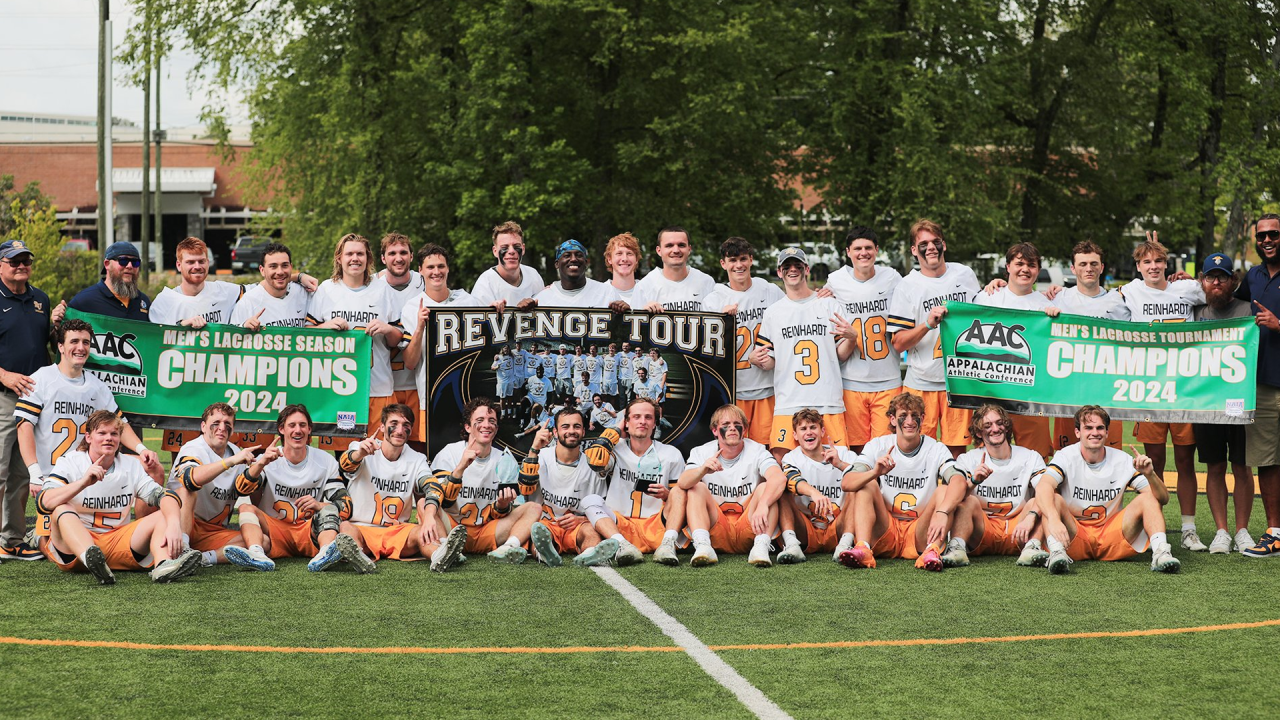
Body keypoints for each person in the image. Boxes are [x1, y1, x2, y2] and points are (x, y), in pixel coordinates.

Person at [16, 318, 158, 554]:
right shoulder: (41, 378)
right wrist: (34, 473)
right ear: (60, 346)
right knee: (50, 546)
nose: (80, 347)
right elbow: (24, 426)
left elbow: (119, 424)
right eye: (74, 341)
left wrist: (142, 450)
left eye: (85, 342)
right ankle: (38, 535)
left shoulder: (97, 386)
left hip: (84, 473)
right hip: (53, 479)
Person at [36, 411, 200, 584]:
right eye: (102, 433)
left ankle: (164, 564)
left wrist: (175, 525)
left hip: (117, 542)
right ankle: (91, 558)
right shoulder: (70, 462)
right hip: (75, 548)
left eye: (114, 434)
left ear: (120, 438)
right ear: (89, 437)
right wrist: (83, 483)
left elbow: (164, 496)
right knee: (61, 508)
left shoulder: (131, 465)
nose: (109, 438)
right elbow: (44, 501)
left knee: (164, 513)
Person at [1118, 233, 1205, 551]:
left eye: (1158, 260)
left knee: (1185, 460)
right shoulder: (1128, 292)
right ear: (1137, 266)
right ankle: (1156, 528)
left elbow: (1220, 299)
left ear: (1167, 264)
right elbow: (1096, 307)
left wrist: (1196, 278)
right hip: (1149, 389)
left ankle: (1188, 528)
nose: (1153, 266)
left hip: (1185, 388)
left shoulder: (1188, 289)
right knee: (1152, 460)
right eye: (1146, 261)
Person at [1035, 405, 1180, 574]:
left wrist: (1150, 475)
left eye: (1099, 428)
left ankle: (1161, 552)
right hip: (1074, 536)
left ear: (1107, 433)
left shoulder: (1122, 459)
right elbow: (1043, 485)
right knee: (1052, 498)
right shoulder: (1066, 456)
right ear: (1077, 432)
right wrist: (1053, 519)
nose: (1094, 432)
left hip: (1112, 535)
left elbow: (1163, 498)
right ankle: (1057, 551)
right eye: (1088, 428)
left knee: (1148, 497)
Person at [233, 404, 375, 573]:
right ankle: (257, 554)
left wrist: (318, 505)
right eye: (292, 425)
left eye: (302, 425)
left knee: (329, 510)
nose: (297, 430)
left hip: (309, 531)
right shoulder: (269, 458)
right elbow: (241, 489)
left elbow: (345, 506)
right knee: (245, 507)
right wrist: (261, 463)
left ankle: (324, 553)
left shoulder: (325, 460)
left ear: (309, 429)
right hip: (275, 530)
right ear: (281, 429)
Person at [836, 392, 964, 571]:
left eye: (914, 416)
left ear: (923, 418)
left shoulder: (935, 448)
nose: (910, 421)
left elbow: (959, 481)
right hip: (885, 528)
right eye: (903, 416)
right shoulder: (878, 445)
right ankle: (863, 547)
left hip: (920, 529)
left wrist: (942, 511)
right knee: (866, 485)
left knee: (944, 491)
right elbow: (847, 482)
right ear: (892, 419)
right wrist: (875, 473)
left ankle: (932, 550)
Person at [887, 219, 981, 456]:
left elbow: (984, 313)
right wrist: (927, 325)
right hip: (921, 382)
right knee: (916, 449)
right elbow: (898, 343)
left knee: (957, 451)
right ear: (913, 250)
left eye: (935, 242)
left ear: (944, 245)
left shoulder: (965, 274)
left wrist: (998, 286)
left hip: (959, 381)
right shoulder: (907, 286)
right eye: (924, 243)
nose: (930, 247)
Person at [753, 247, 854, 461]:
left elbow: (841, 355)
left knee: (835, 464)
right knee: (782, 462)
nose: (792, 270)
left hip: (826, 400)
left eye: (797, 265)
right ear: (779, 272)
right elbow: (769, 361)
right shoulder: (773, 312)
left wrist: (852, 338)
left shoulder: (829, 304)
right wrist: (756, 360)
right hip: (788, 401)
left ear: (806, 269)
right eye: (786, 266)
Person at [338, 404, 467, 571]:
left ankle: (439, 555)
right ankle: (359, 558)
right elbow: (345, 465)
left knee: (422, 532)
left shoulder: (417, 458)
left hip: (397, 531)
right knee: (345, 528)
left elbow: (431, 486)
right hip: (362, 528)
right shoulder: (361, 447)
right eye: (394, 423)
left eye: (405, 425)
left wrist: (429, 517)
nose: (399, 430)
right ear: (382, 426)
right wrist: (360, 454)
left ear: (411, 430)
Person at [0, 238, 63, 560]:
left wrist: (56, 327)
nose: (21, 265)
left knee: (23, 474)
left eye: (25, 260)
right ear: (1, 264)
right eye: (14, 261)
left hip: (36, 399)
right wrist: (4, 375)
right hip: (3, 396)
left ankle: (10, 540)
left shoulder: (40, 298)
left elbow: (46, 345)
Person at [307, 233, 404, 442]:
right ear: (339, 258)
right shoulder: (326, 290)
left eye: (360, 253)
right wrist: (325, 327)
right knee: (345, 458)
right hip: (340, 390)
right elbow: (307, 337)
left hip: (378, 386)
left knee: (379, 451)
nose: (355, 258)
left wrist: (386, 329)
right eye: (349, 253)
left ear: (368, 258)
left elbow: (398, 339)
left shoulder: (383, 289)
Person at [427, 397, 547, 562]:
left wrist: (502, 505)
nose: (486, 425)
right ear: (468, 427)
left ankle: (508, 548)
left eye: (492, 421)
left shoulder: (504, 459)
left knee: (533, 507)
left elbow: (503, 512)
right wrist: (460, 468)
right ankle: (445, 550)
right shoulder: (449, 453)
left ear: (496, 428)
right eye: (480, 420)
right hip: (452, 528)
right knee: (425, 505)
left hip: (486, 531)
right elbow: (442, 501)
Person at [971, 242, 1060, 459]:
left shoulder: (1046, 304)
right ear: (1008, 267)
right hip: (993, 393)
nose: (1025, 269)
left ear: (1038, 270)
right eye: (1019, 263)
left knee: (1036, 458)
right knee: (988, 457)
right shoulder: (988, 297)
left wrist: (1056, 318)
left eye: (1031, 265)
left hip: (1031, 395)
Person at [1192, 253, 1255, 554]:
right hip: (1206, 402)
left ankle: (1242, 529)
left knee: (1242, 466)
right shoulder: (1194, 313)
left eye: (1222, 276)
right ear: (1202, 281)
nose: (1216, 282)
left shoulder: (1248, 309)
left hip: (1240, 401)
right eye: (1210, 277)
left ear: (1233, 280)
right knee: (1214, 466)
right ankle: (1221, 531)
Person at [935, 404, 1048, 568]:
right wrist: (973, 481)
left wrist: (1031, 516)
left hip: (1020, 529)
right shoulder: (968, 459)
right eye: (987, 425)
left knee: (1042, 498)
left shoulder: (1030, 456)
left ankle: (1032, 547)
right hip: (982, 530)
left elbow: (1046, 492)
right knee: (966, 500)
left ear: (1006, 426)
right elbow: (952, 495)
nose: (995, 429)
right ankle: (957, 548)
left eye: (999, 423)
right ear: (979, 432)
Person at [678, 405, 788, 567]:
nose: (732, 429)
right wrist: (702, 470)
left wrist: (763, 504)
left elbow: (778, 478)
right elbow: (683, 482)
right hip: (716, 526)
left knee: (766, 488)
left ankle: (761, 546)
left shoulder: (757, 450)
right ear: (715, 430)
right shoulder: (701, 452)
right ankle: (702, 546)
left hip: (750, 525)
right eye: (725, 425)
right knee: (695, 487)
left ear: (744, 429)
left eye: (737, 424)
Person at [167, 403, 273, 570]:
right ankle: (183, 550)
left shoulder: (235, 451)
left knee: (262, 542)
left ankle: (203, 559)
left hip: (212, 531)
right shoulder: (194, 448)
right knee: (188, 490)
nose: (222, 428)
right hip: (181, 525)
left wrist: (261, 464)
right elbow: (190, 479)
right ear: (203, 426)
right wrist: (230, 462)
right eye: (216, 423)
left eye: (227, 424)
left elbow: (243, 487)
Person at [824, 228, 903, 452]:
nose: (863, 253)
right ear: (848, 252)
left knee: (886, 449)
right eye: (857, 248)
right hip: (851, 380)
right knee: (856, 449)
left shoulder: (892, 278)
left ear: (877, 250)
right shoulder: (836, 280)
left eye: (868, 248)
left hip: (887, 379)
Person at [1045, 240, 1127, 451]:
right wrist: (996, 283)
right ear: (1073, 268)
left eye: (1093, 263)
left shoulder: (1118, 301)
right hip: (1069, 391)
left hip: (1107, 390)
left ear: (1102, 267)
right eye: (1082, 264)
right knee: (1066, 456)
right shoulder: (1058, 298)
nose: (1088, 269)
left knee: (1110, 455)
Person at [703, 237, 785, 445]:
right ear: (723, 264)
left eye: (742, 259)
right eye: (732, 260)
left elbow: (788, 325)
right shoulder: (714, 300)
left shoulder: (769, 291)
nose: (738, 265)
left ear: (751, 260)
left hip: (768, 387)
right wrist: (720, 322)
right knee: (736, 448)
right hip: (735, 390)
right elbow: (706, 351)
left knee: (768, 448)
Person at [519, 407, 621, 567]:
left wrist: (581, 519)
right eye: (565, 426)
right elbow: (526, 488)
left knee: (590, 532)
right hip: (549, 521)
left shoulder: (594, 461)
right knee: (540, 533)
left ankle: (590, 554)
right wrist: (534, 448)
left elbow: (601, 508)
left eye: (577, 426)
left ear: (584, 431)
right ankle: (545, 554)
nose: (571, 431)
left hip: (578, 523)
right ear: (555, 432)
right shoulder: (542, 456)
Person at [594, 397, 689, 564]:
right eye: (636, 417)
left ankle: (668, 544)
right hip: (620, 525)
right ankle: (622, 544)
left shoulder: (671, 454)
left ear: (655, 424)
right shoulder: (616, 450)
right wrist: (616, 429)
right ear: (627, 422)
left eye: (648, 417)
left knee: (680, 492)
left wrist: (667, 494)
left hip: (656, 527)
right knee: (591, 501)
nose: (642, 422)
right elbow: (595, 461)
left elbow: (681, 498)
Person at [399, 243, 479, 440]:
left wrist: (495, 309)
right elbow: (410, 362)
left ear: (448, 268)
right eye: (430, 267)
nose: (436, 272)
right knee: (435, 459)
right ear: (420, 271)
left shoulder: (468, 302)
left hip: (467, 396)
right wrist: (419, 327)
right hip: (432, 398)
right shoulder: (412, 307)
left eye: (441, 266)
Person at [1236, 213, 1280, 557]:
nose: (1267, 240)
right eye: (1261, 236)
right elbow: (1223, 301)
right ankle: (1274, 531)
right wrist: (1184, 284)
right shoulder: (1253, 276)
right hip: (1263, 383)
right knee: (1267, 460)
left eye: (1274, 234)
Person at [779, 409, 858, 563]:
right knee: (780, 485)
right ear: (795, 435)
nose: (809, 432)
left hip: (838, 525)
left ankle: (845, 545)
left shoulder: (843, 453)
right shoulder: (791, 457)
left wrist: (840, 465)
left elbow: (867, 478)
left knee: (858, 486)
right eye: (803, 429)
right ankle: (792, 545)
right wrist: (814, 493)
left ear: (822, 431)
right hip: (806, 527)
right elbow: (791, 478)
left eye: (813, 427)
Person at [376, 233, 427, 409]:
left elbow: (452, 301)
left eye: (403, 252)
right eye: (392, 253)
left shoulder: (425, 280)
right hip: (383, 385)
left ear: (411, 256)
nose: (398, 258)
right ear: (383, 258)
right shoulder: (372, 286)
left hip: (419, 382)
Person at [149, 237, 245, 327]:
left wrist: (246, 323)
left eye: (201, 261)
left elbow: (257, 291)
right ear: (179, 265)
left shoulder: (225, 291)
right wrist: (181, 326)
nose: (197, 266)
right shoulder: (164, 302)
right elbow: (155, 337)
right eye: (190, 262)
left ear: (208, 263)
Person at [231, 242, 314, 329]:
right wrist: (243, 328)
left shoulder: (304, 294)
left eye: (285, 265)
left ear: (291, 267)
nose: (280, 272)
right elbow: (231, 338)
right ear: (262, 270)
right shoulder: (248, 303)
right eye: (273, 266)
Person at [634, 226, 716, 312]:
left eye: (681, 245)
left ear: (689, 249)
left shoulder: (707, 282)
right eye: (669, 245)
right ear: (659, 251)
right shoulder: (644, 286)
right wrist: (644, 313)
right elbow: (633, 323)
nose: (676, 250)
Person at [534, 239, 628, 310]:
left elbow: (624, 330)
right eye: (567, 255)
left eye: (579, 255)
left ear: (586, 263)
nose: (574, 259)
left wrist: (625, 312)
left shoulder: (607, 293)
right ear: (557, 264)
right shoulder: (542, 299)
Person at [470, 221, 543, 311]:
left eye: (516, 246)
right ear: (495, 251)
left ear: (523, 249)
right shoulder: (485, 284)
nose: (511, 251)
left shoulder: (533, 275)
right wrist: (490, 311)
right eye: (505, 247)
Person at [69, 241, 151, 320]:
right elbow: (64, 331)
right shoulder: (84, 301)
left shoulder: (144, 302)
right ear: (107, 264)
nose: (129, 266)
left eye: (135, 262)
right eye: (123, 261)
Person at [604, 232, 653, 309]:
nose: (624, 259)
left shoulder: (650, 291)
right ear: (609, 259)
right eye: (619, 253)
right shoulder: (600, 293)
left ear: (636, 259)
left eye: (629, 254)